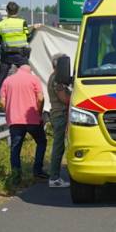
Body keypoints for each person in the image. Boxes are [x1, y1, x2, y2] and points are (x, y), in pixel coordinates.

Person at [0, 55, 47, 182]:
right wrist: (39, 112)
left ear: (17, 68)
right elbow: (40, 98)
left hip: (14, 120)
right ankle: (37, 170)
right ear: (28, 67)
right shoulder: (33, 79)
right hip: (32, 119)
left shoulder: (8, 80)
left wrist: (9, 111)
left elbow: (2, 102)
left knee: (15, 148)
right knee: (41, 142)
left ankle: (16, 176)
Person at [0, 1, 32, 111]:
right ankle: (31, 100)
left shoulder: (1, 24)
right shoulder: (23, 22)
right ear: (17, 11)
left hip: (7, 55)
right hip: (21, 55)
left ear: (7, 11)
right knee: (28, 77)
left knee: (0, 78)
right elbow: (28, 37)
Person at [47, 53, 72, 188]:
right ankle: (54, 177)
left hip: (59, 114)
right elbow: (65, 99)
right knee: (58, 146)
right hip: (60, 115)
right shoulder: (57, 79)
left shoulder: (56, 78)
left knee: (59, 145)